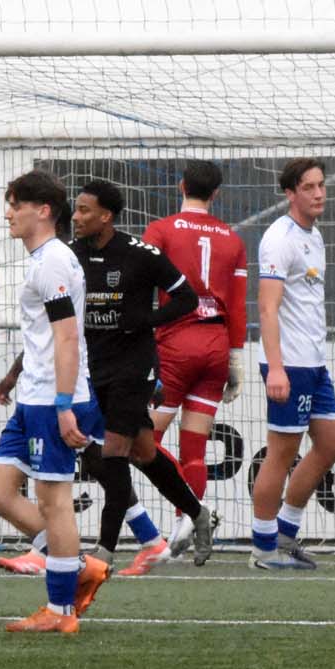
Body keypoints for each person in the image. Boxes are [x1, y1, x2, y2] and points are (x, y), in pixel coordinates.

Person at [67, 178, 215, 575]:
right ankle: (198, 513)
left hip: (134, 366)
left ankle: (104, 550)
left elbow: (186, 298)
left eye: (84, 210)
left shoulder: (140, 253)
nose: (76, 217)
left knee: (113, 453)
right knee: (144, 452)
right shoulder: (70, 255)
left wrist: (147, 320)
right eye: (76, 209)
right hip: (92, 365)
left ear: (106, 216)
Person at [0, 170, 108, 633]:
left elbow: (68, 337)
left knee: (54, 502)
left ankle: (61, 610)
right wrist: (17, 377)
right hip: (33, 397)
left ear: (43, 211)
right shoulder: (44, 260)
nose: (8, 214)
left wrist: (64, 403)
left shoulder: (52, 261)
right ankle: (77, 566)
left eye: (16, 205)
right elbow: (45, 336)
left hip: (52, 398)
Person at [144, 159, 248, 561]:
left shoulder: (161, 230)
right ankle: (184, 526)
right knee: (194, 450)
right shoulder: (232, 240)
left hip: (175, 343)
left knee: (144, 441)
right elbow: (237, 305)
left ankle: (192, 511)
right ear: (216, 193)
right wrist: (234, 357)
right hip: (216, 345)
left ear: (181, 185)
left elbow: (142, 287)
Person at [252, 157, 335, 571]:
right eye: (308, 187)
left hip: (314, 364)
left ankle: (286, 534)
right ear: (290, 194)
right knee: (280, 453)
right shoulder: (279, 238)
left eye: (321, 185)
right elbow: (267, 308)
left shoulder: (315, 236)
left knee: (331, 445)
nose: (319, 193)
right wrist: (276, 368)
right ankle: (262, 549)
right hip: (289, 364)